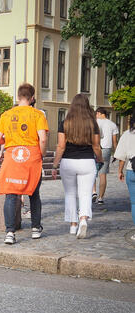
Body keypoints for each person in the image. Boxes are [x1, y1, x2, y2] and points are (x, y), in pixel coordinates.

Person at [0, 83, 48, 245]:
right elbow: (43, 138)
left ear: (18, 97)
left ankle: (10, 232)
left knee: (11, 195)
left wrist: (9, 141)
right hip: (31, 156)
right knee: (33, 193)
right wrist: (42, 153)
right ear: (32, 98)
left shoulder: (6, 115)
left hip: (12, 157)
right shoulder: (38, 115)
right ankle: (35, 228)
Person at [51, 94, 103, 238]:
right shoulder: (93, 123)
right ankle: (83, 219)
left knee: (70, 194)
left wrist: (55, 165)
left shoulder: (65, 122)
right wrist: (100, 159)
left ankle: (73, 225)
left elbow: (61, 147)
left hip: (68, 162)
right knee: (85, 193)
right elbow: (96, 146)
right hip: (87, 162)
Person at [92, 107, 119, 205]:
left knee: (92, 171)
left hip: (95, 148)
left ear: (99, 113)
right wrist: (116, 153)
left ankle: (94, 192)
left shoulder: (95, 122)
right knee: (103, 174)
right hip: (107, 150)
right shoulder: (113, 124)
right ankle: (100, 198)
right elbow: (115, 141)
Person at [113, 109, 135, 226]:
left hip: (132, 170)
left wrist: (120, 171)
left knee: (134, 203)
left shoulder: (127, 134)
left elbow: (122, 157)